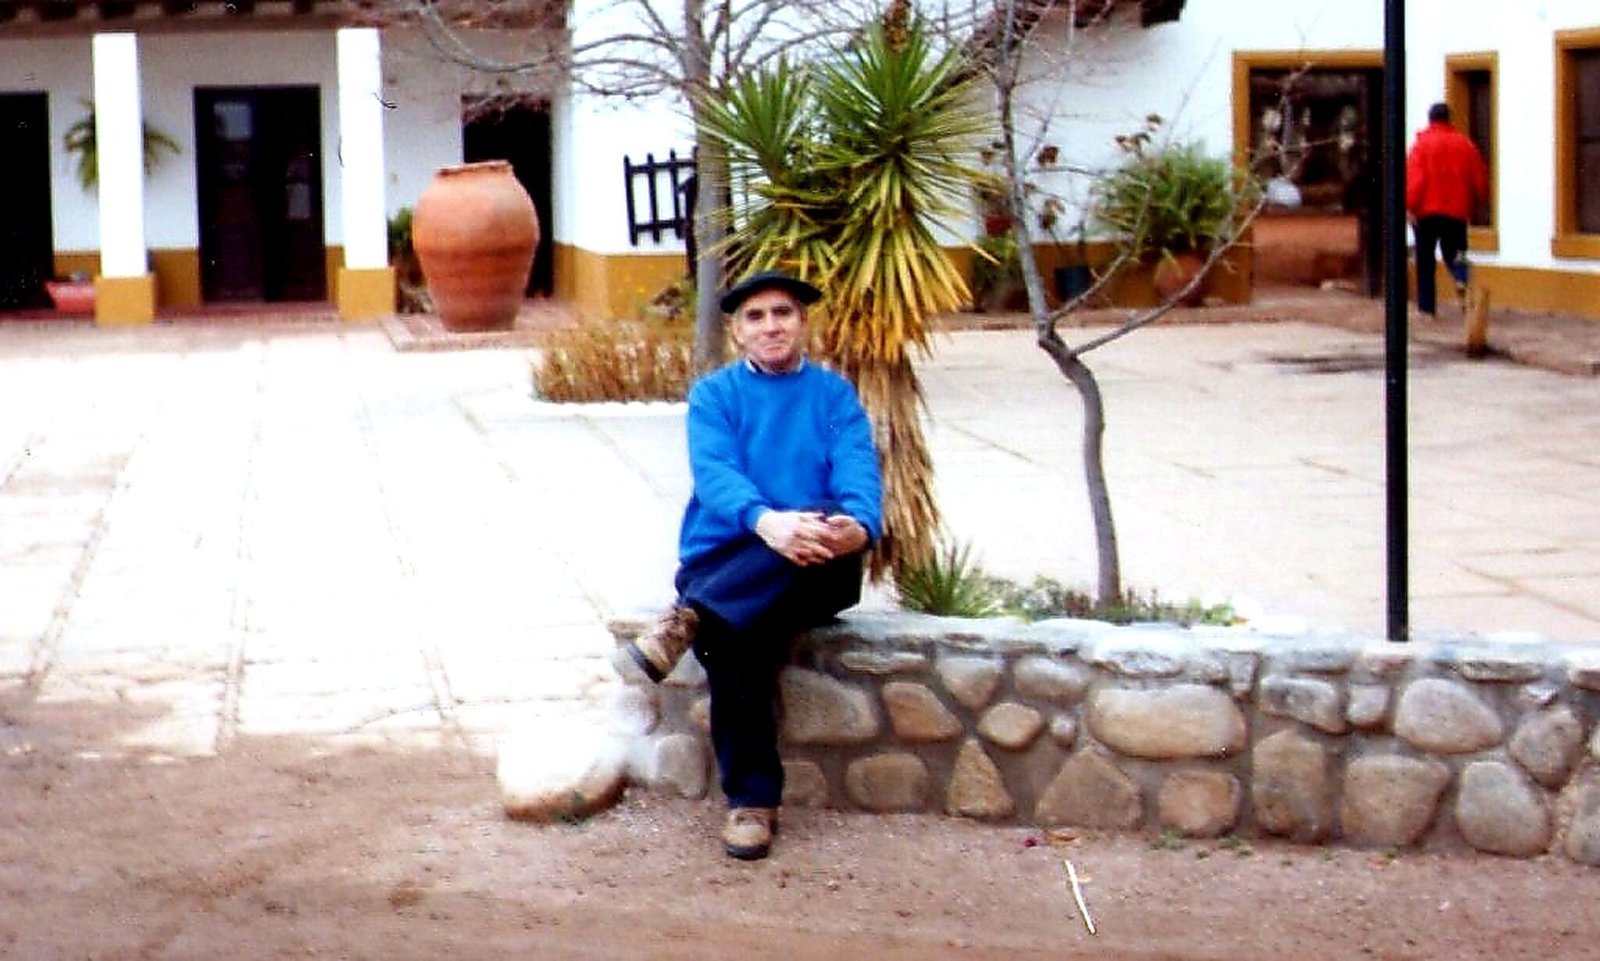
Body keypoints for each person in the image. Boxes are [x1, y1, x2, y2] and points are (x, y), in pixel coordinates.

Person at [612, 269, 883, 861]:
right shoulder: (715, 397)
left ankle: (688, 619)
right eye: (755, 317)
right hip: (733, 555)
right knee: (735, 639)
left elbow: (858, 469)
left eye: (782, 313)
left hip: (819, 561)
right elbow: (716, 476)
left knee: (777, 563)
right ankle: (752, 806)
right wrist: (767, 523)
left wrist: (856, 526)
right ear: (737, 332)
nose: (770, 326)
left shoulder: (834, 396)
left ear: (803, 323)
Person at [1405, 102, 1488, 316]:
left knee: (1425, 259)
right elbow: (1479, 179)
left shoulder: (1421, 146)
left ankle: (1427, 308)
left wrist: (1410, 206)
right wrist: (1478, 202)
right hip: (1457, 211)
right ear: (1449, 119)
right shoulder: (1465, 145)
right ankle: (1462, 281)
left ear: (1430, 119)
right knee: (1456, 253)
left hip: (1427, 211)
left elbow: (1416, 181)